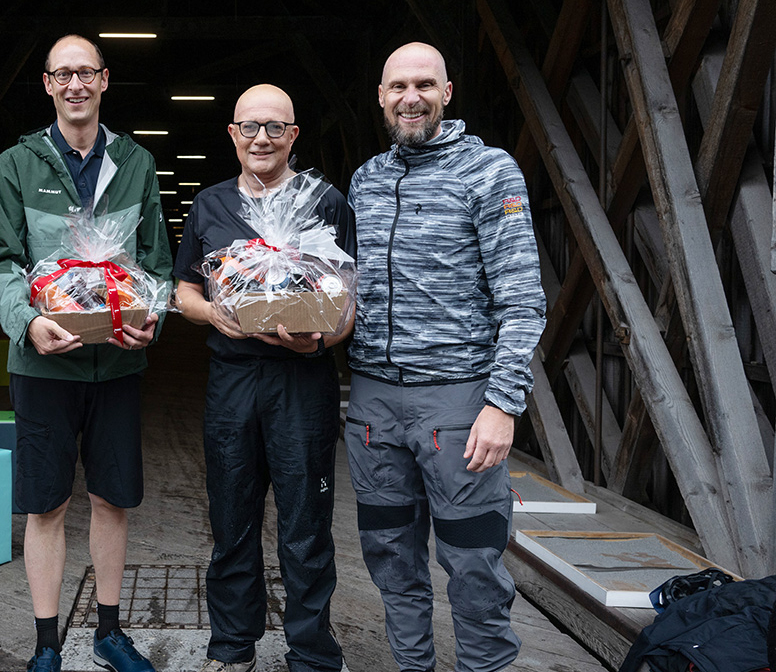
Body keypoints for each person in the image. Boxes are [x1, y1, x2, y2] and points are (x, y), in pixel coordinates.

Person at [345, 42, 546, 672]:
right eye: (398, 86)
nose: (411, 97)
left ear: (447, 92)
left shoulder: (489, 172)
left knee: (473, 562)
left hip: (457, 401)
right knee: (389, 556)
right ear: (381, 97)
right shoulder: (366, 180)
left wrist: (502, 403)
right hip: (374, 401)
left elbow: (523, 299)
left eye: (424, 85)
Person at [0, 34, 172, 672]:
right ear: (47, 84)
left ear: (105, 80)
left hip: (117, 360)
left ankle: (110, 633)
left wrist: (150, 322)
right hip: (41, 364)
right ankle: (45, 643)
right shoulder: (16, 164)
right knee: (47, 503)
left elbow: (156, 265)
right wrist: (27, 323)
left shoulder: (138, 164)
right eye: (63, 74)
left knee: (112, 498)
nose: (75, 85)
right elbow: (1, 261)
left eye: (86, 73)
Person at [173, 84, 354, 672]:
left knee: (306, 525)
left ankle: (311, 653)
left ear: (293, 136)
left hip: (302, 379)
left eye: (275, 128)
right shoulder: (209, 205)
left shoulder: (325, 201)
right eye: (249, 127)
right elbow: (184, 290)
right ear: (232, 134)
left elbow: (347, 300)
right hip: (232, 378)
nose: (261, 139)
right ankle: (231, 645)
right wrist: (215, 315)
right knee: (231, 517)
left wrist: (321, 336)